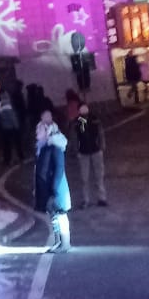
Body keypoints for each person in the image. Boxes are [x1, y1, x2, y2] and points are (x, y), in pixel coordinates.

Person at [34, 106, 72, 250]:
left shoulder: (55, 147)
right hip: (49, 186)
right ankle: (58, 242)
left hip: (56, 187)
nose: (37, 133)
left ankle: (65, 243)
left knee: (60, 214)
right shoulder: (44, 148)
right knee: (54, 215)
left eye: (40, 130)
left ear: (47, 131)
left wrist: (54, 190)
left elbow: (59, 169)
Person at [65, 90, 108, 205]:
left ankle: (101, 198)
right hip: (84, 151)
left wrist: (102, 145)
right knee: (85, 178)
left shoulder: (94, 119)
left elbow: (100, 133)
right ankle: (86, 199)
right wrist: (76, 150)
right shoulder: (77, 122)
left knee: (98, 176)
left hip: (95, 150)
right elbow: (74, 138)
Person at [0, 86, 22, 164]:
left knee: (6, 144)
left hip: (4, 126)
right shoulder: (6, 102)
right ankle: (18, 157)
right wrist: (16, 125)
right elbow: (11, 115)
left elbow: (0, 115)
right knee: (16, 142)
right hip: (11, 126)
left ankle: (7, 159)